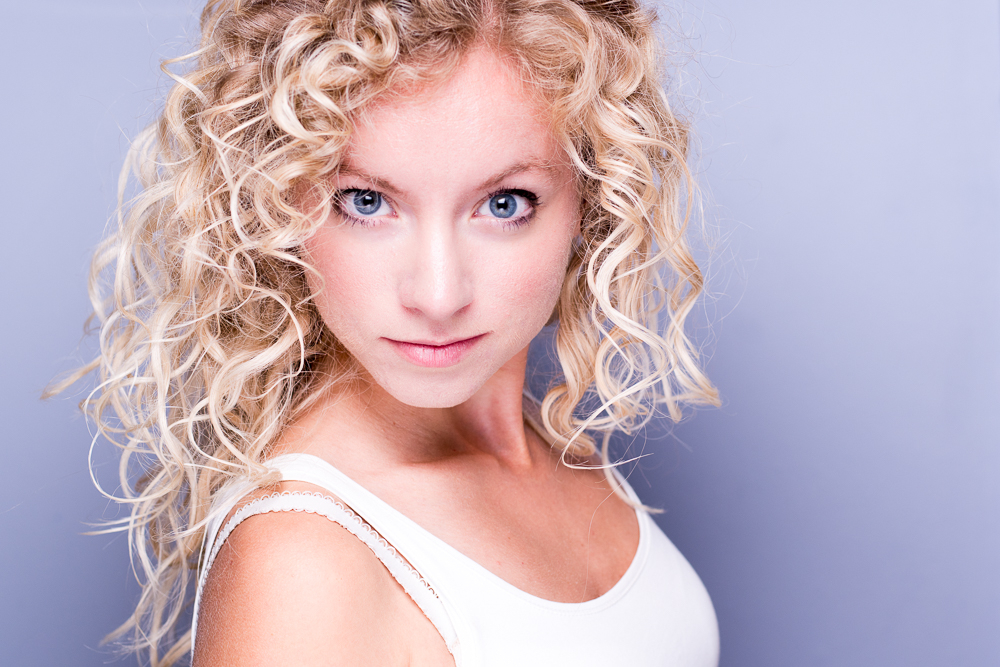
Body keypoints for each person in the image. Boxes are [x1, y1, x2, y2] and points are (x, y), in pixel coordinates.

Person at [55, 0, 722, 664]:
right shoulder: (302, 559)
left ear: (592, 196)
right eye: (367, 202)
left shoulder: (551, 443)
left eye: (503, 204)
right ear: (276, 200)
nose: (438, 295)